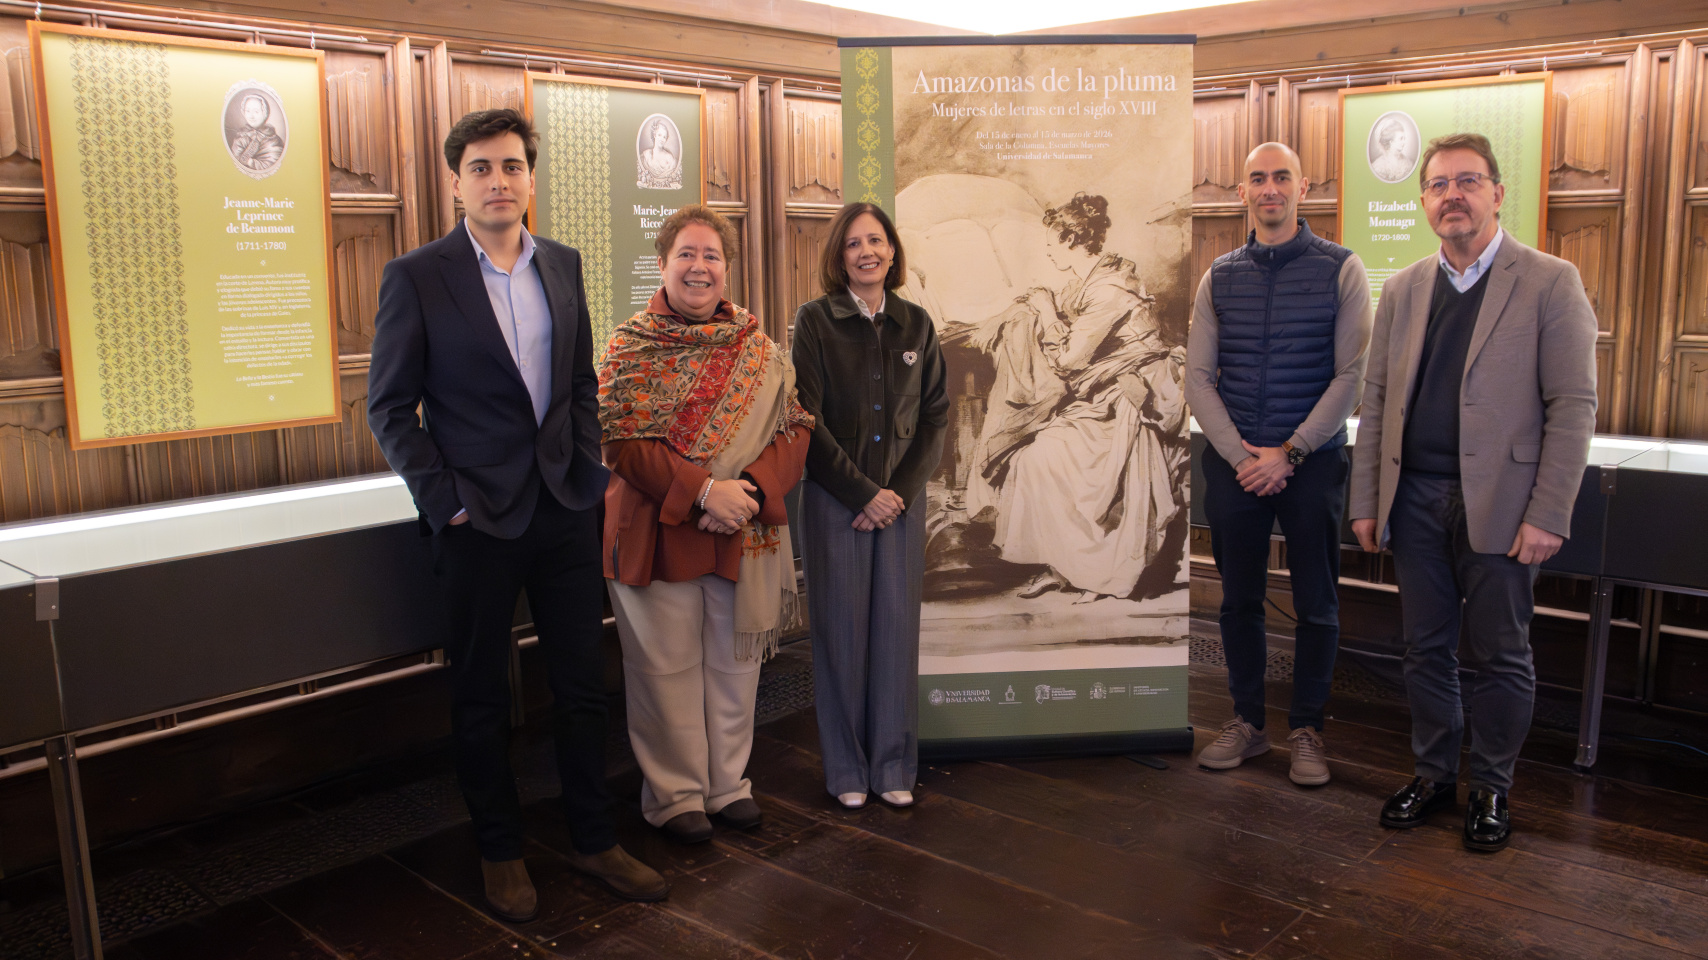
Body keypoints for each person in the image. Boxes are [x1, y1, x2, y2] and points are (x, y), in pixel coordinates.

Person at [367, 108, 668, 922]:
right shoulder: (419, 275)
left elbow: (577, 385)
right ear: (455, 181)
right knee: (480, 697)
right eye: (480, 168)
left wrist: (591, 469)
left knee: (581, 685)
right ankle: (499, 850)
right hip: (477, 523)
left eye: (510, 166)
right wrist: (444, 502)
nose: (498, 181)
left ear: (531, 178)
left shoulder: (561, 266)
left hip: (565, 510)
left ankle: (593, 837)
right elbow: (390, 407)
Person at [1351, 133, 1596, 852]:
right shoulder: (1402, 287)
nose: (1451, 195)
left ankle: (1491, 787)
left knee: (1500, 654)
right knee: (1424, 650)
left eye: (1467, 182)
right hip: (1415, 499)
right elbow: (1379, 399)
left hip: (1505, 508)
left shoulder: (1550, 280)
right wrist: (1367, 500)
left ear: (1496, 192)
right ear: (1424, 201)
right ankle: (1433, 775)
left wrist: (1549, 512)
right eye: (1438, 185)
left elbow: (1574, 404)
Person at [599, 204, 813, 843]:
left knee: (734, 663)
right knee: (663, 670)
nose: (700, 267)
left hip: (742, 527)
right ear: (662, 265)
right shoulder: (629, 347)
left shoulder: (759, 348)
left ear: (726, 268)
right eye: (686, 255)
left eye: (711, 256)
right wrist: (702, 493)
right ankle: (675, 796)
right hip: (658, 532)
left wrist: (746, 490)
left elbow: (796, 427)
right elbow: (621, 442)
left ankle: (727, 785)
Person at [1185, 142, 1372, 788]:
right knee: (1239, 601)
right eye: (1258, 179)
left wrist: (1288, 453)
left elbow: (1352, 376)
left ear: (1303, 187)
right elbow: (1198, 379)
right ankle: (1247, 723)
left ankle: (1307, 730)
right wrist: (1244, 458)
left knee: (1318, 602)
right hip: (1237, 466)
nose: (1270, 189)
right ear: (1242, 193)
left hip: (1311, 462)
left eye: (1282, 177)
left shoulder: (1342, 270)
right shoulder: (1220, 276)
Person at [790, 202, 948, 810]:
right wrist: (862, 494)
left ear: (892, 250)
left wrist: (897, 495)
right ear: (839, 256)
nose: (866, 252)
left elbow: (934, 416)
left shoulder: (916, 322)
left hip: (901, 505)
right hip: (837, 501)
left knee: (894, 632)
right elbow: (806, 418)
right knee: (841, 632)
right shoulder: (815, 321)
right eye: (853, 243)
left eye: (876, 241)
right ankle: (849, 769)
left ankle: (893, 764)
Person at [981, 193, 1186, 601]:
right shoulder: (1087, 281)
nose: (1047, 250)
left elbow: (1072, 358)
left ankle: (1096, 570)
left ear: (1074, 240)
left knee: (1046, 456)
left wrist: (1047, 312)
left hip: (1133, 393)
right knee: (1032, 456)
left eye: (1052, 243)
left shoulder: (1110, 286)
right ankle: (1062, 565)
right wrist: (1035, 308)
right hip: (1103, 392)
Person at [230, 93, 285, 172]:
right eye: (247, 111)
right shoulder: (241, 134)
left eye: (256, 112)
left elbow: (271, 165)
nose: (251, 116)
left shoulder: (274, 140)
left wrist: (250, 162)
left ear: (265, 113)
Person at [1370, 118, 1413, 183]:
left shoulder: (1408, 163)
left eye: (1404, 138)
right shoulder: (1378, 167)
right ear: (1391, 141)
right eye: (1401, 138)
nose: (1404, 142)